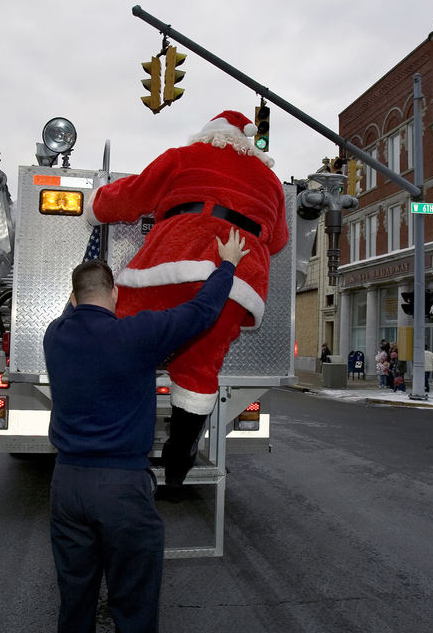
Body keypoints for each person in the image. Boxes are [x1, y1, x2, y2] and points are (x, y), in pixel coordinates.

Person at [44, 228, 247, 633]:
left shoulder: (55, 336)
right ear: (116, 295)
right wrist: (227, 264)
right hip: (121, 487)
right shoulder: (136, 335)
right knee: (133, 602)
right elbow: (202, 312)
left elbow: (73, 310)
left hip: (67, 484)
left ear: (74, 298)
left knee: (75, 598)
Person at [84, 110, 288, 488]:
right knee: (201, 363)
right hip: (239, 277)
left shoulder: (184, 156)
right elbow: (277, 241)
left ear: (209, 134)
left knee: (125, 336)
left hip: (176, 260)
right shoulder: (272, 181)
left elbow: (131, 197)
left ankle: (120, 439)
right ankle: (180, 454)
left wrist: (94, 207)